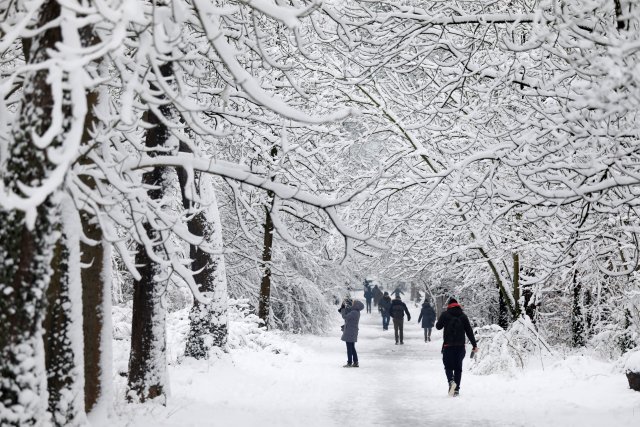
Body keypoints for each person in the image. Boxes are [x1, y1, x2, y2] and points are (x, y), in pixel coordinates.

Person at [435, 297, 478, 397]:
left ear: (448, 305)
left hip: (448, 346)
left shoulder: (445, 314)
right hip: (460, 347)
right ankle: (456, 390)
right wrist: (474, 345)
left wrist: (442, 317)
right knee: (458, 368)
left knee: (448, 366)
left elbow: (438, 327)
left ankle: (451, 382)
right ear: (457, 305)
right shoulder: (463, 316)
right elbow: (469, 331)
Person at [339, 297, 364, 367]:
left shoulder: (354, 312)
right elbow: (348, 312)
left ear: (356, 305)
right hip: (352, 331)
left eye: (353, 303)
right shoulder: (356, 312)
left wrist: (343, 308)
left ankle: (349, 362)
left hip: (350, 332)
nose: (352, 304)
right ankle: (355, 362)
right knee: (352, 347)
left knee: (349, 348)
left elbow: (345, 317)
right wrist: (343, 308)